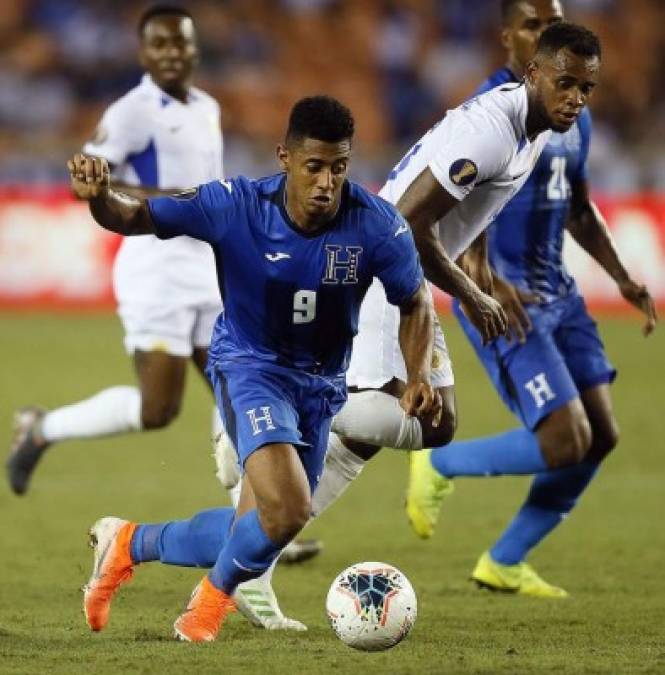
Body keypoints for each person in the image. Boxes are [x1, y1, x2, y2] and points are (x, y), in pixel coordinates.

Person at [210, 21, 606, 618]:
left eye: (586, 88)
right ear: (533, 74)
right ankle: (273, 409)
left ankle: (253, 564)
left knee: (378, 438)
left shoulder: (529, 129)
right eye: (565, 82)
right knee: (433, 423)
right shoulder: (493, 133)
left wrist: (474, 262)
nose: (575, 98)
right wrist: (473, 291)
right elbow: (407, 225)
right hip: (381, 279)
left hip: (393, 276)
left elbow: (467, 210)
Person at [72, 95, 442, 642]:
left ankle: (128, 543)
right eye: (314, 166)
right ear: (285, 157)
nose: (326, 182)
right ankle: (205, 608)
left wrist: (417, 374)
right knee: (289, 510)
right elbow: (134, 216)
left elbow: (415, 302)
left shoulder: (377, 226)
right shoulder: (235, 206)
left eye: (339, 167)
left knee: (264, 526)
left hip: (320, 385)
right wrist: (101, 196)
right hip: (249, 365)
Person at [5, 3, 318, 629]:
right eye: (160, 46)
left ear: (195, 49)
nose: (172, 54)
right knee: (160, 409)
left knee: (243, 390)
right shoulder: (132, 111)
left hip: (207, 268)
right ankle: (42, 428)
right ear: (143, 53)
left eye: (181, 44)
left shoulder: (206, 106)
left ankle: (256, 533)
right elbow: (89, 178)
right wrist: (98, 182)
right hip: (153, 271)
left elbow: (213, 192)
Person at [406, 2, 657, 597]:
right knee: (562, 439)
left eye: (554, 22)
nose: (548, 34)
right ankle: (438, 463)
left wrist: (621, 276)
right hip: (503, 295)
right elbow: (464, 202)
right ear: (512, 41)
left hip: (559, 294)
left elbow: (577, 206)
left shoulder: (572, 114)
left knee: (602, 435)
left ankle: (505, 559)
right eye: (534, 26)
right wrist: (482, 275)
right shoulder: (491, 113)